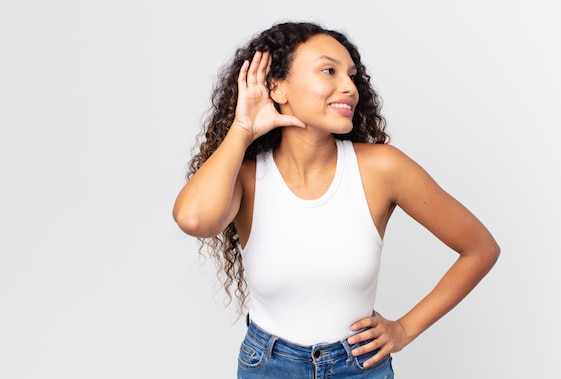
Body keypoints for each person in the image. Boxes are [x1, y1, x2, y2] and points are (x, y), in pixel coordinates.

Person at [173, 21, 500, 378]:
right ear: (277, 88)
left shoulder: (382, 168)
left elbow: (480, 248)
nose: (349, 87)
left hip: (360, 367)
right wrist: (243, 128)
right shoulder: (247, 177)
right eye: (329, 71)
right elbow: (194, 220)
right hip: (268, 367)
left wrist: (404, 329)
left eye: (352, 76)